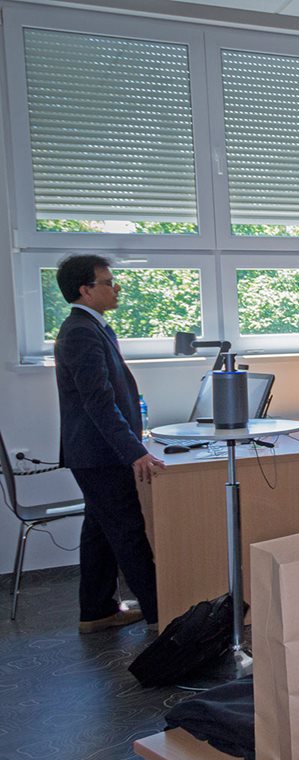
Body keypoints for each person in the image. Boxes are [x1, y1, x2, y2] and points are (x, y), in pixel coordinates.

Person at [53, 254, 162, 634]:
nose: (116, 288)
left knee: (99, 530)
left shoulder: (92, 327)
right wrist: (135, 451)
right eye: (108, 282)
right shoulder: (80, 332)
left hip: (95, 452)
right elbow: (98, 402)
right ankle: (160, 615)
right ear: (85, 290)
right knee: (128, 531)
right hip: (100, 454)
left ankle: (97, 611)